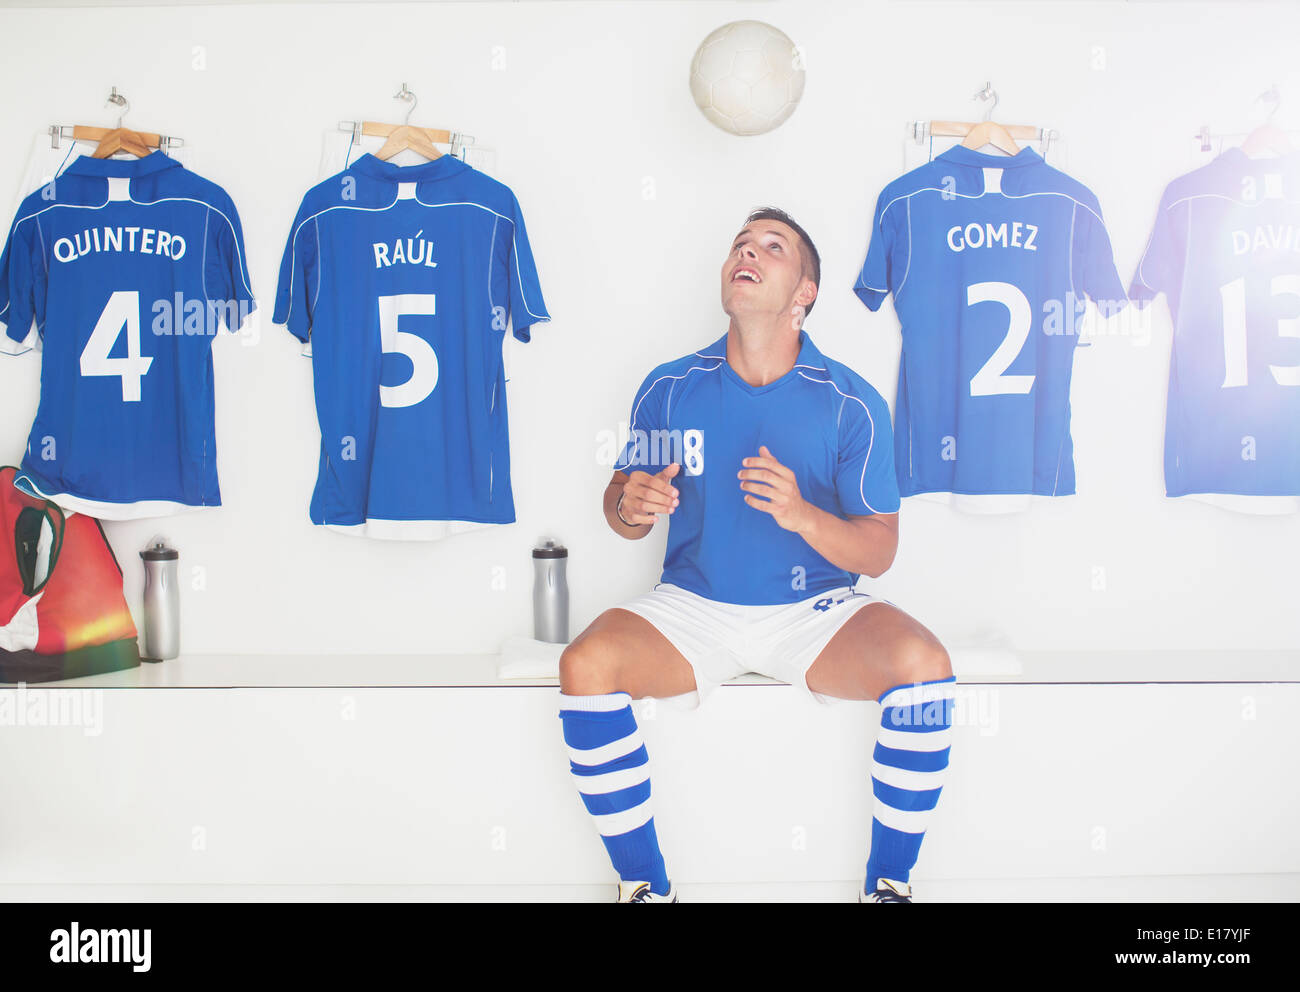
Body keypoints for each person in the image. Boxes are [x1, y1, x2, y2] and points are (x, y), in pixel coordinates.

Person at [558, 207, 955, 903]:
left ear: (805, 292)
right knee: (583, 665)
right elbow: (620, 509)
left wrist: (802, 515)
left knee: (925, 666)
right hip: (691, 606)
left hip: (817, 613)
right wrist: (632, 504)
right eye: (740, 244)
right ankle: (645, 887)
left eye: (773, 248)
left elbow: (880, 548)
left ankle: (887, 885)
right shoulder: (671, 387)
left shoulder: (850, 403)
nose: (749, 253)